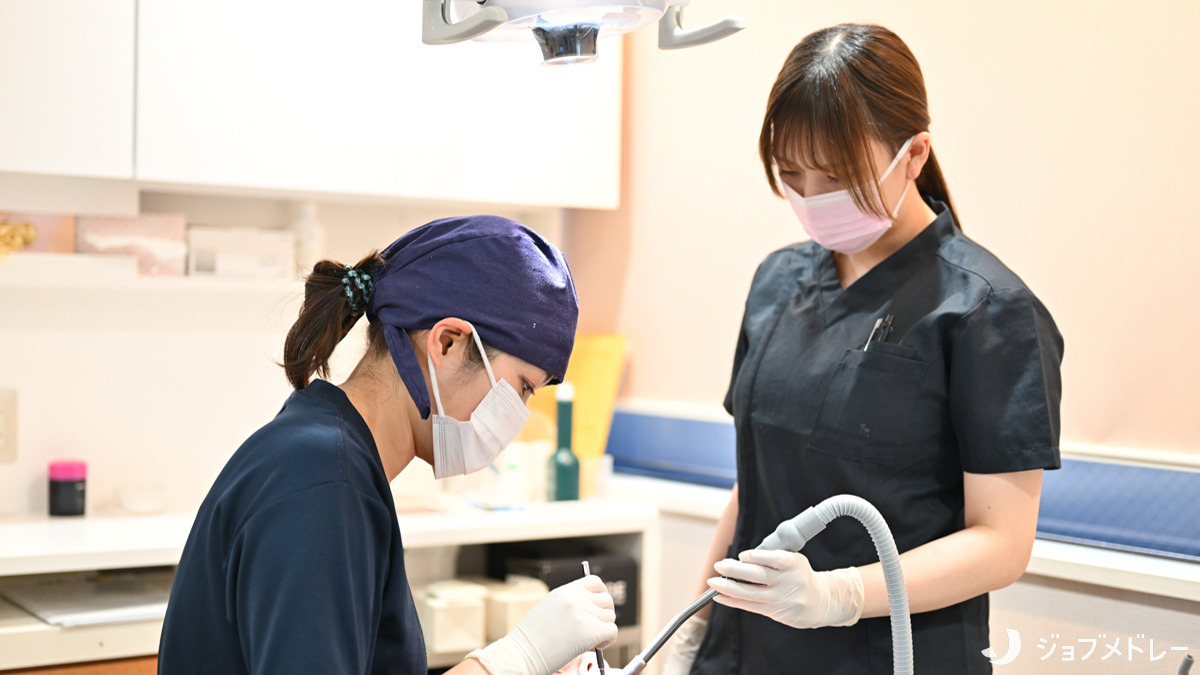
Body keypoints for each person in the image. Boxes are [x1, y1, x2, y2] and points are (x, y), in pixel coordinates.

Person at [662, 23, 1064, 674]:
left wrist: (840, 594)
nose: (814, 198)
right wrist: (694, 625)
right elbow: (754, 484)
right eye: (792, 175)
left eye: (837, 175)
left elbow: (1002, 543)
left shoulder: (986, 310)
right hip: (747, 652)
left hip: (892, 652)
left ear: (913, 154)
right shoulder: (778, 281)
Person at [158, 215, 617, 674]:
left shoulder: (330, 458)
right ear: (448, 342)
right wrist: (518, 658)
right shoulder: (323, 481)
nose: (518, 415)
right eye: (521, 388)